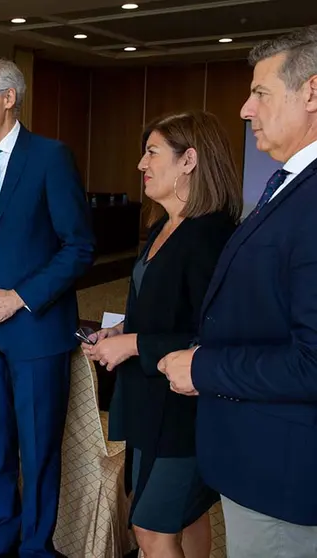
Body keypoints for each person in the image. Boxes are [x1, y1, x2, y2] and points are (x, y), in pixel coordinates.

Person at [159, 26, 317, 557]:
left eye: (261, 93)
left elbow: (313, 361)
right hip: (264, 459)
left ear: (312, 93)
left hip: (285, 473)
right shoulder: (290, 185)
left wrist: (201, 367)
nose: (246, 109)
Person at [0, 56, 94, 557]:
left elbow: (78, 246)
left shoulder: (51, 158)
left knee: (38, 449)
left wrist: (20, 297)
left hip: (36, 333)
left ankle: (35, 547)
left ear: (9, 98)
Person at [83, 111, 242, 558]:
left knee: (151, 530)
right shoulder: (161, 227)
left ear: (189, 160)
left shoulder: (210, 236)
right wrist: (122, 329)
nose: (140, 164)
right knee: (183, 518)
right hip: (150, 402)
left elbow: (216, 335)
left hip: (185, 411)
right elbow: (165, 309)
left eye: (152, 152)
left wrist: (132, 343)